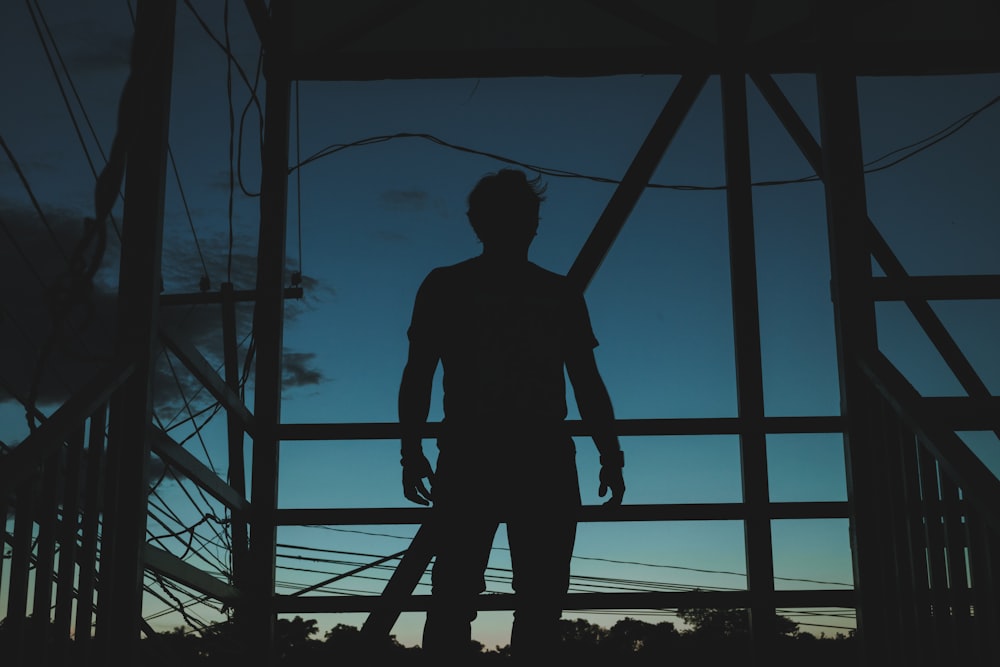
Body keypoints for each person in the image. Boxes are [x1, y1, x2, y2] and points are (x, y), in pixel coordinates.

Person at [398, 168, 625, 661]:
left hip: (469, 457)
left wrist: (411, 451)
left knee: (454, 597)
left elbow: (418, 374)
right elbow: (586, 381)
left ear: (477, 224)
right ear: (533, 224)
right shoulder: (559, 292)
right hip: (542, 460)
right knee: (540, 601)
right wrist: (610, 454)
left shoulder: (445, 285)